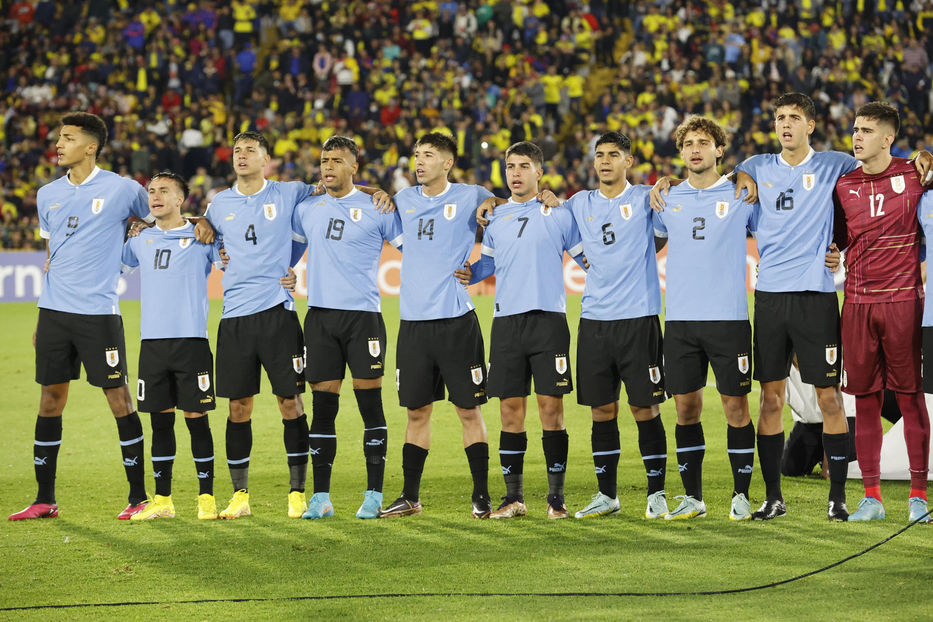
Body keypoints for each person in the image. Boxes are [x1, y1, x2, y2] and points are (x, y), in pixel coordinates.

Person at [204, 130, 391, 520]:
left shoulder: (291, 194)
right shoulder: (218, 205)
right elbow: (205, 233)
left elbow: (341, 186)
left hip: (280, 313)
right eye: (237, 151)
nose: (241, 156)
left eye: (250, 151)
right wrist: (197, 223)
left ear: (266, 159)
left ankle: (301, 492)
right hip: (236, 316)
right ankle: (241, 495)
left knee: (292, 403)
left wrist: (377, 191)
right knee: (238, 407)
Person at [10, 112, 155, 521]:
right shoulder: (47, 194)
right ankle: (44, 499)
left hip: (98, 314)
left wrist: (129, 259)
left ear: (90, 147)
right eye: (59, 137)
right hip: (55, 313)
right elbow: (52, 258)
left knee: (119, 399)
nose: (58, 144)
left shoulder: (124, 189)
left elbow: (159, 217)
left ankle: (138, 497)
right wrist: (41, 316)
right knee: (50, 400)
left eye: (67, 138)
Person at [465, 141, 584, 520]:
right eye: (510, 166)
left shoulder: (558, 214)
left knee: (552, 411)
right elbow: (487, 267)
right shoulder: (495, 217)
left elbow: (587, 258)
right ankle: (513, 498)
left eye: (523, 166)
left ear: (539, 172)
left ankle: (556, 499)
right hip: (506, 324)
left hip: (549, 321)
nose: (515, 173)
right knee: (509, 412)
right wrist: (468, 273)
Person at [378, 132, 493, 519]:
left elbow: (506, 218)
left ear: (448, 163)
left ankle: (481, 495)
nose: (419, 161)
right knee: (416, 413)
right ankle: (410, 496)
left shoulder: (471, 195)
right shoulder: (403, 200)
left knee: (468, 411)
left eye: (428, 155)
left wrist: (479, 271)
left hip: (456, 323)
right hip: (413, 325)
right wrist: (371, 189)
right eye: (416, 155)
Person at [560, 131, 671, 520]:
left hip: (638, 320)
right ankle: (607, 495)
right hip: (594, 322)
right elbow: (551, 223)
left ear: (629, 161)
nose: (605, 161)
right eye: (599, 155)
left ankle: (656, 494)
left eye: (613, 155)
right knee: (601, 411)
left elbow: (663, 235)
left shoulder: (645, 198)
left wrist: (668, 182)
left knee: (645, 409)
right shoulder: (578, 203)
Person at [290, 136, 402, 520]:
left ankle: (373, 494)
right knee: (323, 409)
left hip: (363, 318)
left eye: (337, 160)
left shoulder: (377, 207)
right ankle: (320, 497)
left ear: (354, 166)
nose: (328, 166)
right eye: (324, 159)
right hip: (320, 317)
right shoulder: (306, 208)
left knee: (371, 405)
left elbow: (413, 248)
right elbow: (286, 252)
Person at [652, 115, 758, 521]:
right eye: (688, 143)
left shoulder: (740, 194)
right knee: (685, 409)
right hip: (679, 322)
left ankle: (741, 494)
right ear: (680, 152)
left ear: (719, 150)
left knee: (736, 407)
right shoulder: (666, 198)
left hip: (728, 320)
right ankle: (693, 497)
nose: (695, 149)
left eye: (703, 142)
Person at [834, 102, 930, 523]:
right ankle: (871, 497)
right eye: (855, 129)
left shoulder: (916, 175)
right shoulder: (843, 186)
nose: (857, 136)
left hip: (903, 301)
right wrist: (832, 256)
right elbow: (836, 241)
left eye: (867, 130)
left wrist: (929, 154)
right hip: (856, 303)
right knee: (865, 399)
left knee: (910, 397)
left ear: (888, 138)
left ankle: (918, 497)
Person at [121, 171, 222, 520]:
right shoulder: (139, 240)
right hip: (152, 344)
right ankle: (162, 501)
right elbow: (114, 265)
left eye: (164, 190)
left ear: (181, 200)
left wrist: (204, 220)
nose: (155, 196)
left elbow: (232, 263)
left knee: (197, 420)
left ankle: (206, 498)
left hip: (191, 342)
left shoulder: (201, 236)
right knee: (160, 424)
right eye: (151, 191)